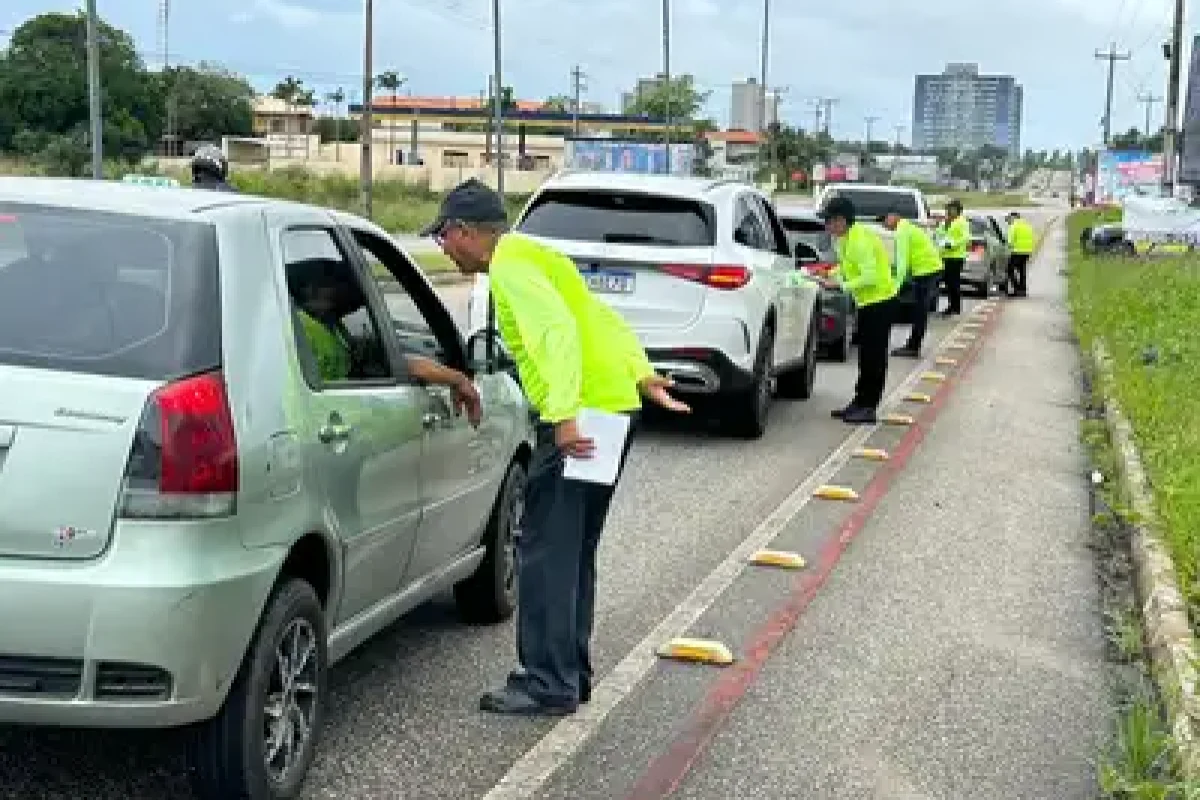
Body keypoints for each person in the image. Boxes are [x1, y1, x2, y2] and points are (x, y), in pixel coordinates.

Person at [424, 178, 690, 716]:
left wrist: (564, 417)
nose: (445, 250)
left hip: (584, 417)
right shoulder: (537, 255)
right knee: (572, 551)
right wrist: (641, 374)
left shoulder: (511, 268)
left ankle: (547, 682)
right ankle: (570, 673)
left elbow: (557, 337)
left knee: (545, 552)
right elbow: (599, 321)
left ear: (466, 231)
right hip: (611, 409)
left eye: (444, 239)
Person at [291, 260, 481, 419]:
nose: (356, 303)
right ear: (316, 290)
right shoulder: (310, 331)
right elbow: (402, 365)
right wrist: (457, 378)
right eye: (347, 289)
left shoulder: (317, 327)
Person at [817, 196, 899, 424]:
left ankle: (869, 407)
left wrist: (840, 285)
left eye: (830, 221)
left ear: (842, 220)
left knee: (874, 357)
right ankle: (859, 402)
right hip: (867, 303)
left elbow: (870, 276)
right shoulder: (844, 239)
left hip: (880, 302)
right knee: (865, 356)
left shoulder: (859, 240)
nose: (827, 226)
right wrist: (828, 273)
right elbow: (847, 268)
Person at [884, 212, 944, 358]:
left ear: (894, 217)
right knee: (920, 309)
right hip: (929, 269)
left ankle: (913, 347)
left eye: (885, 220)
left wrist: (895, 287)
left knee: (919, 311)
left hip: (926, 270)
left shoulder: (902, 231)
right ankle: (913, 345)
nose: (885, 225)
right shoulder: (908, 227)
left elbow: (903, 261)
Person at [935, 199, 969, 316]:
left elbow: (965, 238)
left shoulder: (962, 222)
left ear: (958, 210)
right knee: (948, 283)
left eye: (952, 209)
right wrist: (943, 225)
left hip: (956, 256)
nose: (949, 211)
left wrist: (952, 244)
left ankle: (955, 307)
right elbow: (939, 234)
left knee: (954, 283)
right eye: (948, 209)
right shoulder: (946, 221)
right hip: (944, 255)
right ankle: (952, 306)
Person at [1005, 212, 1036, 297]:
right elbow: (1033, 237)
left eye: (1010, 218)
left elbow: (1010, 241)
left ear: (1014, 217)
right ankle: (1023, 290)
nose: (1009, 220)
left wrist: (1008, 247)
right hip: (1027, 251)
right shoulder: (1027, 225)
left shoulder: (1014, 226)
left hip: (1017, 251)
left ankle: (1017, 289)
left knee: (1009, 269)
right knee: (1022, 270)